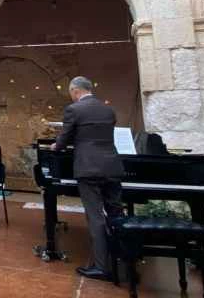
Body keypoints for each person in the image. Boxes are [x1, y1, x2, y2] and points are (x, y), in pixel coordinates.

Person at [53, 76, 124, 282]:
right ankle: (121, 258)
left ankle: (102, 267)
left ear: (75, 91)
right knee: (116, 214)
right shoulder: (108, 110)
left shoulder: (74, 110)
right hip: (112, 166)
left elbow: (65, 138)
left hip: (89, 168)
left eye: (71, 93)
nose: (72, 97)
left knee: (95, 216)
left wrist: (56, 146)